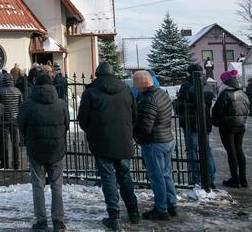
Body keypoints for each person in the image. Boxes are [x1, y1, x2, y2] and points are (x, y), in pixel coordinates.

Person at [77, 62, 139, 230]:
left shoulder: (91, 92)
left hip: (101, 141)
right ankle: (133, 212)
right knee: (125, 176)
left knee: (108, 177)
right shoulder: (126, 90)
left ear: (97, 74)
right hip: (124, 140)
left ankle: (114, 215)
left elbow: (82, 119)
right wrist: (127, 130)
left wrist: (93, 130)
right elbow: (134, 115)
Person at [18, 73, 69, 232]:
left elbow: (21, 124)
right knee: (57, 185)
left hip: (36, 150)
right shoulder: (61, 104)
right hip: (56, 150)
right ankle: (58, 220)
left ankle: (41, 220)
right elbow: (66, 124)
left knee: (38, 186)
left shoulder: (28, 104)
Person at [133, 71, 177, 221]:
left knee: (157, 178)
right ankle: (171, 205)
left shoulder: (148, 100)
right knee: (166, 175)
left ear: (141, 85)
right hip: (167, 140)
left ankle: (161, 209)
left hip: (154, 143)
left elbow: (145, 127)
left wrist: (136, 136)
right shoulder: (162, 94)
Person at [176, 64, 216, 187]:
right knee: (206, 150)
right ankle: (210, 177)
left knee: (192, 151)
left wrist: (179, 110)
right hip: (204, 123)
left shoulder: (186, 86)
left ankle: (196, 177)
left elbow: (180, 105)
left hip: (190, 123)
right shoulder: (208, 86)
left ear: (190, 73)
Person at [212, 69, 249, 188]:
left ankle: (235, 179)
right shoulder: (243, 93)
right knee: (239, 150)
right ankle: (243, 180)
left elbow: (217, 110)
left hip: (227, 126)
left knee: (231, 151)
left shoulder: (225, 93)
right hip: (241, 125)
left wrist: (215, 121)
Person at [0, 73, 22, 169]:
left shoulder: (0, 91)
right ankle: (16, 163)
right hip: (15, 119)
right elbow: (21, 105)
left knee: (4, 142)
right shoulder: (18, 91)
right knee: (15, 142)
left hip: (4, 119)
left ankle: (5, 163)